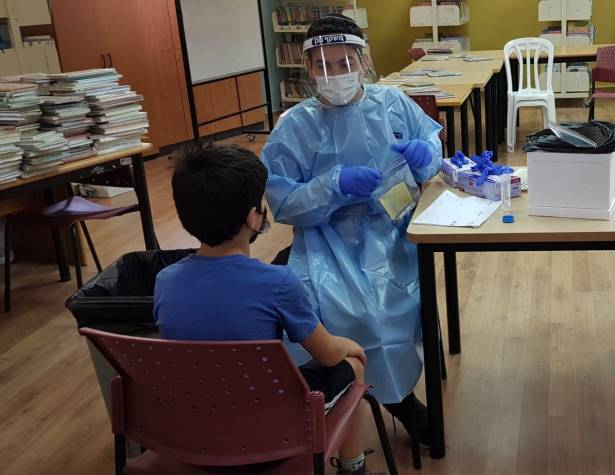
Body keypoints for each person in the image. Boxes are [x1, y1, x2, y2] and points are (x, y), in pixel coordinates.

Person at [261, 14, 443, 445]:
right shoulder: (294, 125)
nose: (335, 74)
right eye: (323, 65)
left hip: (395, 225)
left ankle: (398, 384)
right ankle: (396, 402)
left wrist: (426, 156)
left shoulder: (393, 103)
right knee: (359, 310)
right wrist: (333, 186)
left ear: (364, 61)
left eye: (345, 63)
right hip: (327, 238)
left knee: (402, 298)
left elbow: (431, 146)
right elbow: (282, 201)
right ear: (308, 68)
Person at [154, 143, 373, 475]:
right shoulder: (279, 283)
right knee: (352, 364)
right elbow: (328, 354)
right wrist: (349, 346)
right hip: (267, 430)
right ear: (252, 217)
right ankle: (353, 467)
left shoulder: (165, 281)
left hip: (194, 426)